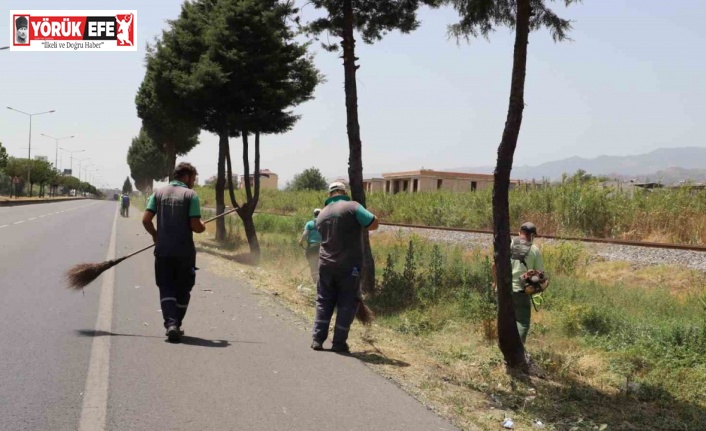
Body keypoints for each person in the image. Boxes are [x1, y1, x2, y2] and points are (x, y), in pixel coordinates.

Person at [311, 182, 379, 353]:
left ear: (330, 194)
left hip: (325, 265)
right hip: (349, 266)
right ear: (343, 192)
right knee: (347, 303)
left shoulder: (321, 214)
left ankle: (317, 340)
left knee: (324, 301)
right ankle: (339, 343)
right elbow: (373, 223)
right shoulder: (353, 206)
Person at [142, 162, 206, 343]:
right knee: (184, 289)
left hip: (163, 252)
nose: (193, 182)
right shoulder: (191, 195)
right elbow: (195, 225)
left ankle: (171, 325)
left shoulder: (158, 193)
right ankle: (175, 323)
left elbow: (146, 220)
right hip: (184, 253)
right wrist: (203, 226)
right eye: (193, 178)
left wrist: (156, 236)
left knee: (166, 287)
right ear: (186, 177)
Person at [493, 222, 545, 344]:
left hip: (503, 290)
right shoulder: (534, 250)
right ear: (531, 235)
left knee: (504, 321)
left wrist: (496, 284)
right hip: (521, 292)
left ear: (519, 232)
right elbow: (540, 274)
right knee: (522, 322)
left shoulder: (507, 245)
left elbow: (494, 266)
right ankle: (518, 351)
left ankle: (503, 348)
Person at [298, 208, 322, 284]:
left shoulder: (309, 224)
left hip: (312, 247)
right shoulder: (325, 224)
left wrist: (300, 242)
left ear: (314, 214)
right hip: (322, 248)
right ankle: (321, 282)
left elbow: (305, 235)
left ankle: (315, 282)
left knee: (313, 265)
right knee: (321, 265)